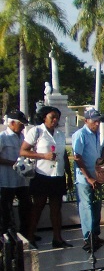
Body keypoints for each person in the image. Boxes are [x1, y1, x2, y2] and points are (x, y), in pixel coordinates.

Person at [20, 106, 71, 248]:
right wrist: (43, 156)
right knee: (38, 207)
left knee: (56, 208)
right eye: (52, 117)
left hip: (57, 175)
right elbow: (23, 151)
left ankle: (57, 238)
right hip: (42, 174)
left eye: (57, 118)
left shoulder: (60, 134)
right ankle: (30, 237)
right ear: (44, 117)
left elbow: (64, 156)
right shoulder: (36, 131)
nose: (55, 120)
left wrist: (69, 175)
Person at [72, 107, 104, 250]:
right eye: (94, 121)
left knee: (96, 206)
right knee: (86, 207)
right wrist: (88, 177)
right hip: (84, 179)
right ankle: (88, 238)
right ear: (86, 121)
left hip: (96, 177)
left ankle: (95, 234)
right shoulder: (80, 134)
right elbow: (77, 157)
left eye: (98, 121)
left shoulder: (96, 134)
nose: (97, 123)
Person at [0, 110, 32, 236]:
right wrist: (12, 163)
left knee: (26, 206)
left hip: (21, 179)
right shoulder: (3, 137)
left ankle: (26, 233)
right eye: (21, 124)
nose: (23, 126)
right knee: (5, 209)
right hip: (7, 180)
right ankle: (6, 234)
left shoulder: (22, 137)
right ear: (12, 123)